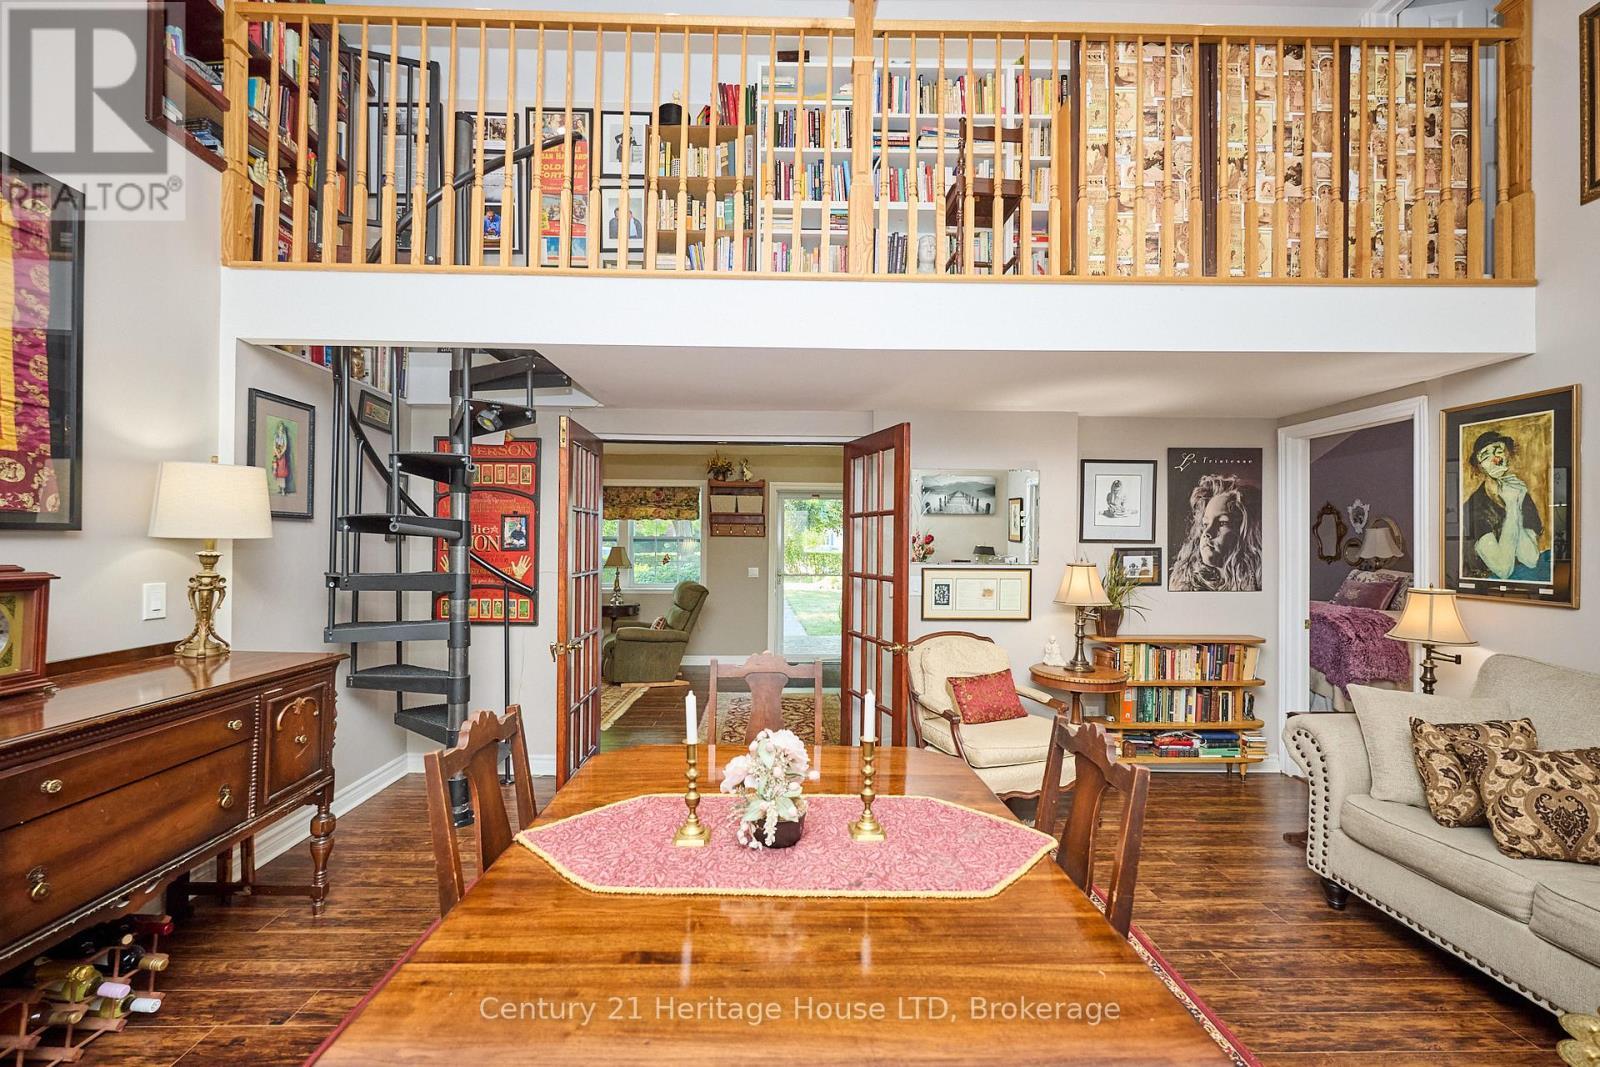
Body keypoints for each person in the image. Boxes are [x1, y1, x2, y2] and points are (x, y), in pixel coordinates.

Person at [1461, 429, 1547, 581]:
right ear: (1479, 465)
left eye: (1499, 452)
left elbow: (1530, 559)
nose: (1495, 460)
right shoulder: (1474, 506)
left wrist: (1515, 503)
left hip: (1520, 580)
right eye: (1485, 456)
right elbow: (1503, 569)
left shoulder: (1519, 492)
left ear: (1508, 455)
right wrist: (1512, 506)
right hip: (1486, 582)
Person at [1169, 474, 1262, 591]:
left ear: (1246, 533)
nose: (1207, 533)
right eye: (1205, 524)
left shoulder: (1258, 583)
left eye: (1222, 523)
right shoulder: (1184, 583)